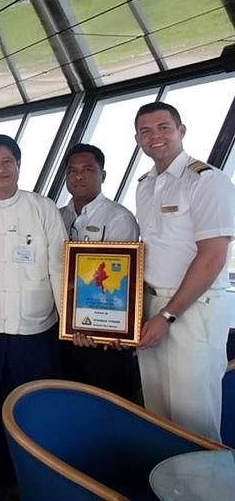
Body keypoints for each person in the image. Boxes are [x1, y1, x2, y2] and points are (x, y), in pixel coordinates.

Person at [0, 134, 66, 499]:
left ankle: (42, 481)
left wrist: (67, 325)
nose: (0, 169)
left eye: (6, 161)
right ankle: (1, 483)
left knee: (38, 410)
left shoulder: (43, 208)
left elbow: (59, 270)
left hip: (36, 330)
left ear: (19, 165)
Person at [134, 101, 235, 441]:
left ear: (181, 131)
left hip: (192, 312)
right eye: (145, 131)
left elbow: (212, 258)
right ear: (137, 139)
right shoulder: (145, 185)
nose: (155, 137)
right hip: (152, 308)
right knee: (159, 418)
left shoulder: (207, 181)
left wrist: (167, 315)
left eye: (163, 127)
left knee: (195, 423)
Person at [59, 143, 139, 399]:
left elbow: (122, 282)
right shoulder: (56, 216)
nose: (79, 176)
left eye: (87, 169)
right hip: (64, 330)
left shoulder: (119, 218)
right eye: (72, 170)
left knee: (110, 401)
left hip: (105, 334)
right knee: (71, 400)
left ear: (102, 175)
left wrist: (107, 331)